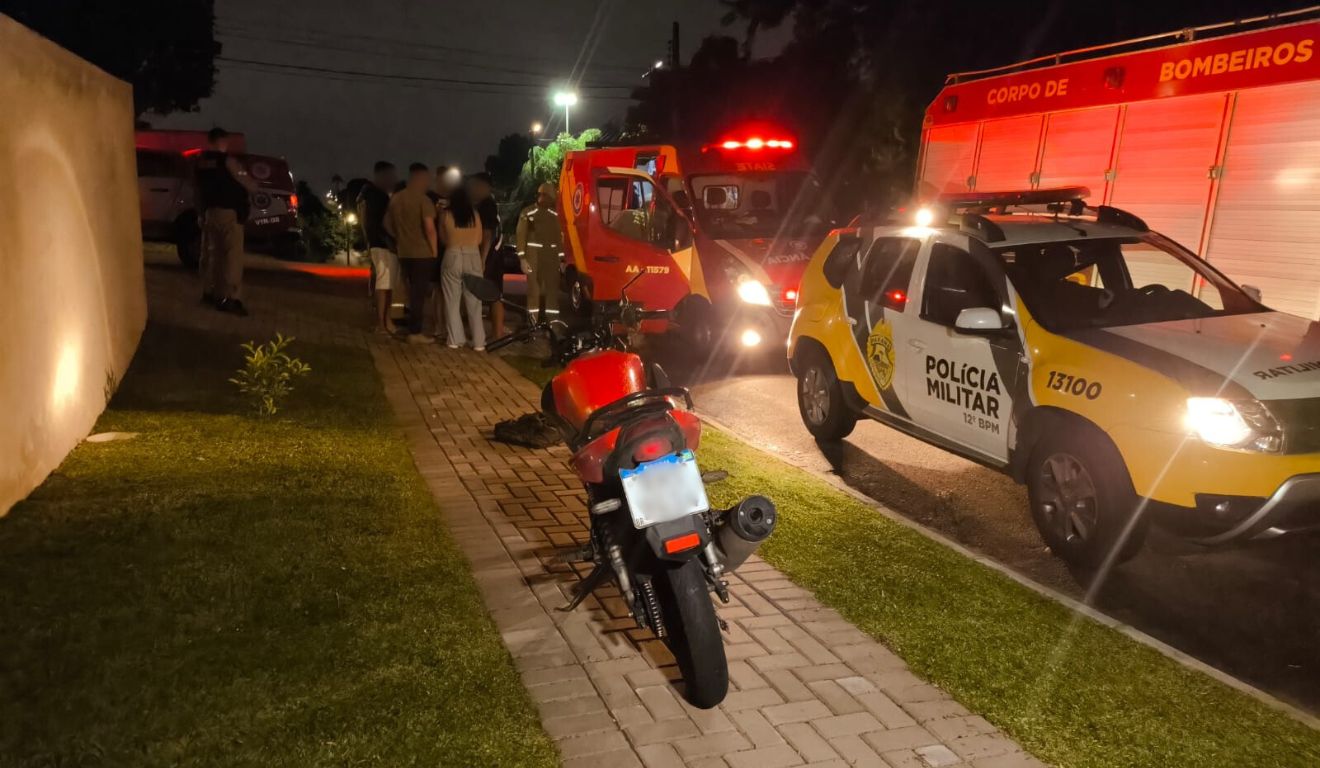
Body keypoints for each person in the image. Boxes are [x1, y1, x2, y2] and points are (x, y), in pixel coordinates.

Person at [195, 127, 258, 315]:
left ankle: (209, 292)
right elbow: (250, 185)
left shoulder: (201, 162)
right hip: (229, 214)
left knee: (211, 255)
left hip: (208, 213)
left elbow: (196, 189)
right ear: (222, 141)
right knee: (231, 257)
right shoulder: (228, 162)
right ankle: (229, 298)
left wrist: (200, 212)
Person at [384, 163, 438, 344]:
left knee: (409, 291)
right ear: (420, 178)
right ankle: (415, 332)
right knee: (418, 295)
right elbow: (430, 228)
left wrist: (400, 237)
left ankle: (410, 327)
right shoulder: (423, 200)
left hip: (404, 252)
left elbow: (386, 224)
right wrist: (434, 251)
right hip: (421, 253)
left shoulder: (396, 198)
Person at [439, 186, 486, 350]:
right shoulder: (475, 215)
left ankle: (455, 340)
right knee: (474, 302)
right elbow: (480, 239)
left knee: (452, 301)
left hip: (452, 255)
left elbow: (443, 238)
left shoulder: (446, 214)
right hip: (473, 255)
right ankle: (479, 342)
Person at [356, 160, 398, 334]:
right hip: (383, 244)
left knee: (386, 284)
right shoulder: (377, 195)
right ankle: (382, 323)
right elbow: (384, 222)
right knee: (384, 283)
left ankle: (386, 321)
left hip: (377, 244)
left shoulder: (367, 194)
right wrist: (395, 239)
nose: (393, 179)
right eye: (390, 175)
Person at [516, 182, 565, 323]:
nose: (543, 198)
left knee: (552, 292)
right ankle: (532, 324)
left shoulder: (554, 216)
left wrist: (562, 260)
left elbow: (559, 239)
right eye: (541, 194)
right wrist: (522, 258)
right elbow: (521, 235)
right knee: (534, 292)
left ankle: (553, 324)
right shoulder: (528, 213)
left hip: (551, 256)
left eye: (547, 195)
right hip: (533, 255)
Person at [469, 173, 505, 337]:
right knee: (493, 294)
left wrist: (482, 260)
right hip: (493, 254)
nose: (474, 189)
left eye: (477, 186)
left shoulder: (487, 205)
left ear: (485, 187)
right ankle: (495, 333)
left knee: (493, 295)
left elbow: (487, 235)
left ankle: (497, 333)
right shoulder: (486, 204)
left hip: (490, 255)